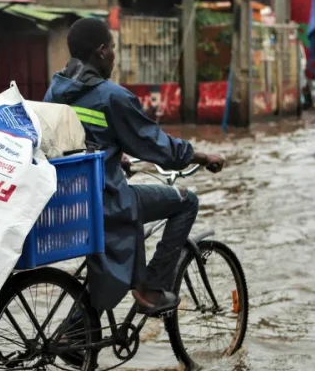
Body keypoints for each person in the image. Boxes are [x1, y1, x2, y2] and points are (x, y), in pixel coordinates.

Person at [44, 18, 225, 316]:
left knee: (106, 263)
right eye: (113, 48)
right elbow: (156, 145)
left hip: (71, 200)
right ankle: (149, 287)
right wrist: (201, 156)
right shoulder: (111, 96)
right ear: (101, 51)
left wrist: (115, 154)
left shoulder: (55, 91)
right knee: (186, 202)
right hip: (107, 200)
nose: (115, 55)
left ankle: (74, 337)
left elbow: (75, 139)